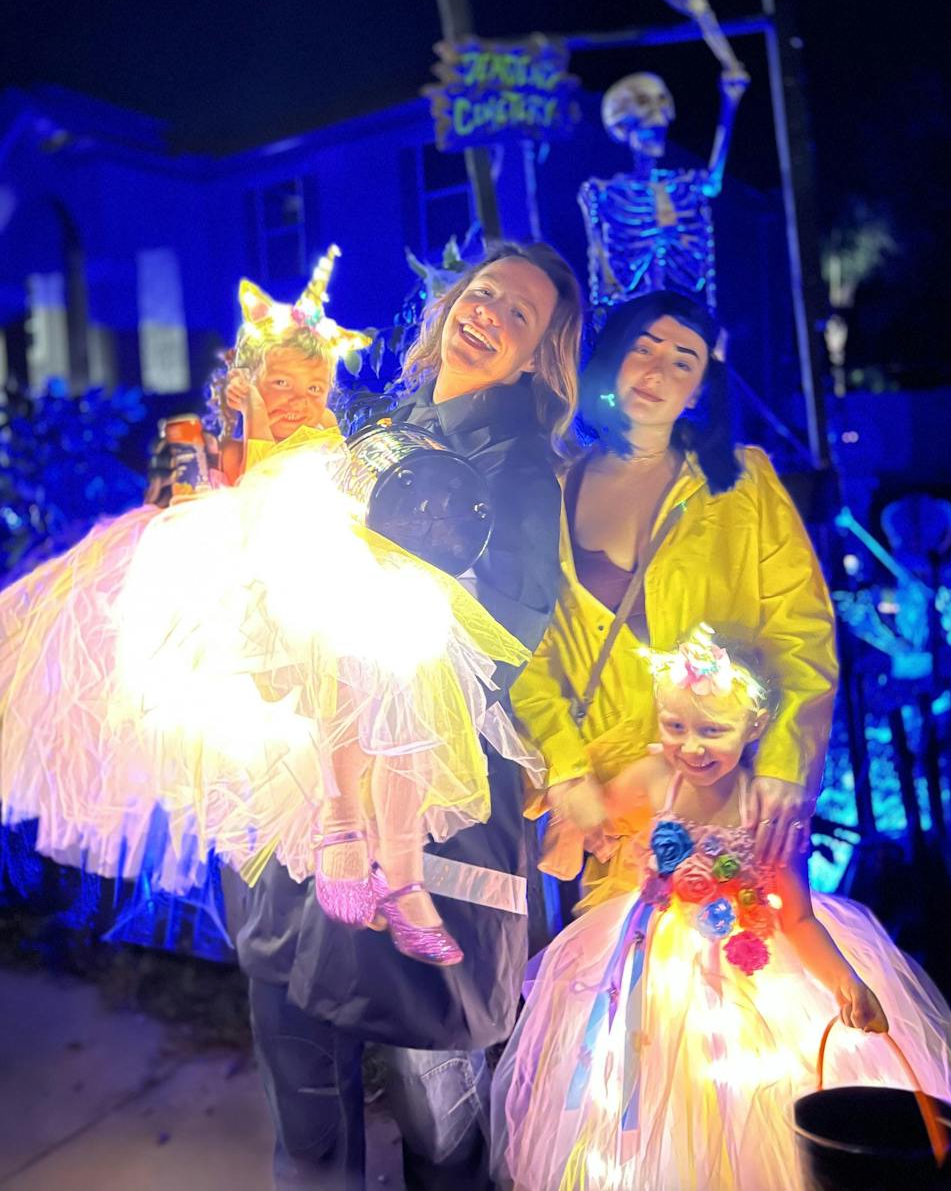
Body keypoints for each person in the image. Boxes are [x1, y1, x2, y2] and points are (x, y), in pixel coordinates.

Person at [0, 252, 538, 950]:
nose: (298, 398)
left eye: (314, 386)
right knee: (339, 674)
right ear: (243, 383)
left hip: (342, 576)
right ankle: (342, 826)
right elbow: (200, 505)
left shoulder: (339, 445)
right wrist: (235, 436)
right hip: (263, 596)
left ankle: (401, 875)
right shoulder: (219, 448)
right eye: (280, 381)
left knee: (407, 691)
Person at [236, 240, 584, 1189]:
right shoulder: (382, 416)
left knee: (441, 1121)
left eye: (519, 314)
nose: (489, 313)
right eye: (484, 293)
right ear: (452, 302)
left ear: (537, 358)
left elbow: (501, 638)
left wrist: (361, 619)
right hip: (316, 791)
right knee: (306, 1101)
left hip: (433, 819)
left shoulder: (521, 472)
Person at [492, 632, 951, 1191]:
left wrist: (846, 981)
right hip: (655, 974)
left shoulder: (765, 811)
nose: (691, 747)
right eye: (675, 726)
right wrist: (577, 816)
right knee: (653, 1101)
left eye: (712, 731)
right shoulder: (655, 777)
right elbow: (595, 811)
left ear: (755, 726)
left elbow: (798, 918)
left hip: (751, 973)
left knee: (756, 1097)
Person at [510, 288, 838, 913]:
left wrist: (784, 763)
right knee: (624, 962)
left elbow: (801, 632)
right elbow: (530, 650)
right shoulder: (552, 488)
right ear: (613, 358)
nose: (657, 372)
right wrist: (565, 771)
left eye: (683, 361)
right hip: (611, 806)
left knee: (737, 955)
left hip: (723, 791)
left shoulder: (742, 484)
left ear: (699, 389)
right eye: (644, 349)